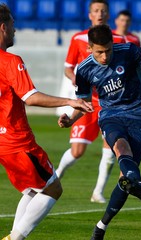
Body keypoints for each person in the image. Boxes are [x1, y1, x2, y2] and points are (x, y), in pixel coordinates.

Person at [58, 24, 141, 240]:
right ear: (89, 48)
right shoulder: (83, 70)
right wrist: (71, 119)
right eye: (99, 52)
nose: (104, 57)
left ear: (113, 45)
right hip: (110, 116)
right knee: (120, 147)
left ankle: (102, 225)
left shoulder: (129, 51)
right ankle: (136, 180)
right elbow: (83, 102)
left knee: (125, 177)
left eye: (108, 51)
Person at [0, 4, 93, 240]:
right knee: (53, 188)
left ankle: (13, 236)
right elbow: (30, 97)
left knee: (33, 189)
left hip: (3, 143)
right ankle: (14, 238)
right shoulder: (10, 61)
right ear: (2, 28)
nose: (14, 29)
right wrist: (70, 102)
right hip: (17, 141)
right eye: (11, 24)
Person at [55, 0, 125, 204]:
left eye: (103, 10)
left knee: (110, 148)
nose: (100, 13)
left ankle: (98, 192)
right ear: (90, 14)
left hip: (110, 103)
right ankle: (58, 174)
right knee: (77, 151)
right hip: (86, 102)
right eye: (96, 10)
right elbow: (68, 67)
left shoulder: (118, 40)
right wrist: (74, 77)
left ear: (108, 14)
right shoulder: (78, 38)